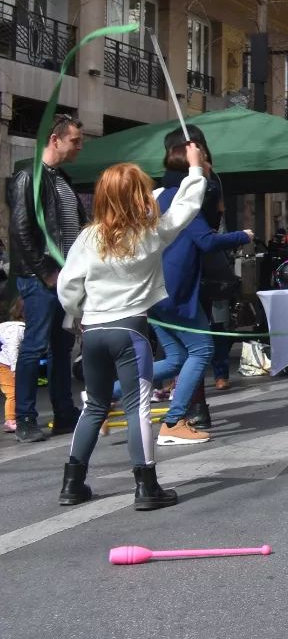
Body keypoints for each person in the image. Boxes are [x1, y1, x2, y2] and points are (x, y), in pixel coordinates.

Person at [54, 144, 206, 510]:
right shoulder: (150, 234)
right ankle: (146, 486)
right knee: (137, 406)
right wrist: (196, 169)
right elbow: (185, 208)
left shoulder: (88, 238)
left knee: (94, 407)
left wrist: (75, 315)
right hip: (130, 331)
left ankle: (72, 484)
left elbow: (67, 286)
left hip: (92, 332)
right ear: (139, 196)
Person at [148, 138, 253, 446]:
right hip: (175, 292)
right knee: (203, 349)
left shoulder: (158, 198)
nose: (209, 165)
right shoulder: (185, 203)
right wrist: (242, 235)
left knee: (176, 357)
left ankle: (105, 393)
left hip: (155, 292)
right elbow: (206, 241)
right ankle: (173, 421)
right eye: (204, 160)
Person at [7, 112, 86, 442]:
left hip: (64, 278)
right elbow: (21, 231)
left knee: (61, 346)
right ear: (56, 140)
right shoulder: (30, 178)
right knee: (35, 345)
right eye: (75, 141)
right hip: (42, 279)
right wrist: (45, 273)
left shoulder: (62, 179)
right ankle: (25, 417)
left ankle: (64, 412)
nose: (79, 147)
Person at [0, 297, 25, 431]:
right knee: (12, 392)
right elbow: (13, 348)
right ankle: (10, 420)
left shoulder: (8, 326)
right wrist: (15, 368)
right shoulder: (18, 329)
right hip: (5, 365)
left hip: (5, 363)